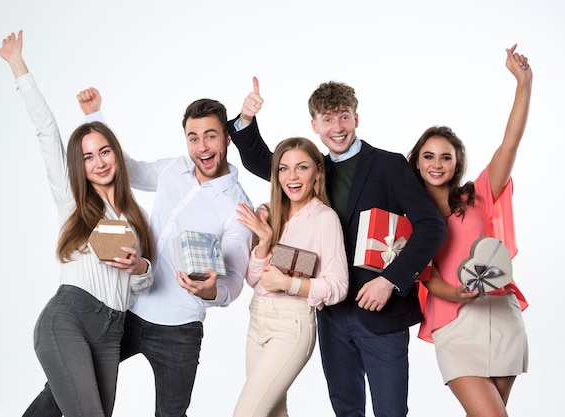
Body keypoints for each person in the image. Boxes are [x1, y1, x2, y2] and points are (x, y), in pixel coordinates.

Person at [20, 67, 254, 417]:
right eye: (193, 137)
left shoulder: (238, 207)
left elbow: (234, 279)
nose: (201, 147)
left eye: (210, 136)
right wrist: (95, 117)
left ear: (227, 139)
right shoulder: (174, 169)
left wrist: (211, 292)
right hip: (128, 313)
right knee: (63, 389)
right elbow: (123, 167)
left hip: (180, 329)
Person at [228, 77, 447, 416]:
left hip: (381, 314)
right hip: (332, 315)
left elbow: (431, 225)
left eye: (344, 116)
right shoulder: (316, 169)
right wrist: (245, 120)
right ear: (315, 125)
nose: (337, 126)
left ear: (356, 119)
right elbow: (267, 163)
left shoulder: (388, 165)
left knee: (390, 411)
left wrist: (390, 279)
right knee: (345, 409)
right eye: (327, 119)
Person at [0, 30, 156, 417]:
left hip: (111, 331)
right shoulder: (73, 202)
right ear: (78, 166)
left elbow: (142, 282)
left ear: (116, 155)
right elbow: (48, 134)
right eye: (87, 157)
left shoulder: (137, 218)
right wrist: (19, 66)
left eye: (104, 152)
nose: (98, 162)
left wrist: (140, 267)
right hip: (69, 317)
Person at [409, 44, 531, 417]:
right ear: (416, 161)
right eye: (429, 155)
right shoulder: (408, 214)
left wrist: (523, 84)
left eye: (446, 156)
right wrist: (453, 293)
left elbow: (509, 145)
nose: (437, 163)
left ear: (457, 162)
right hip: (454, 321)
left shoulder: (477, 194)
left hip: (501, 315)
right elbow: (422, 273)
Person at [233, 137, 349, 416]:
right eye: (284, 169)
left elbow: (339, 286)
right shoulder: (271, 214)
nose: (292, 177)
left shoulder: (325, 218)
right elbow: (254, 281)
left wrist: (289, 284)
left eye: (302, 167)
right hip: (257, 321)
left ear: (318, 172)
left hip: (291, 326)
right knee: (272, 412)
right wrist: (263, 243)